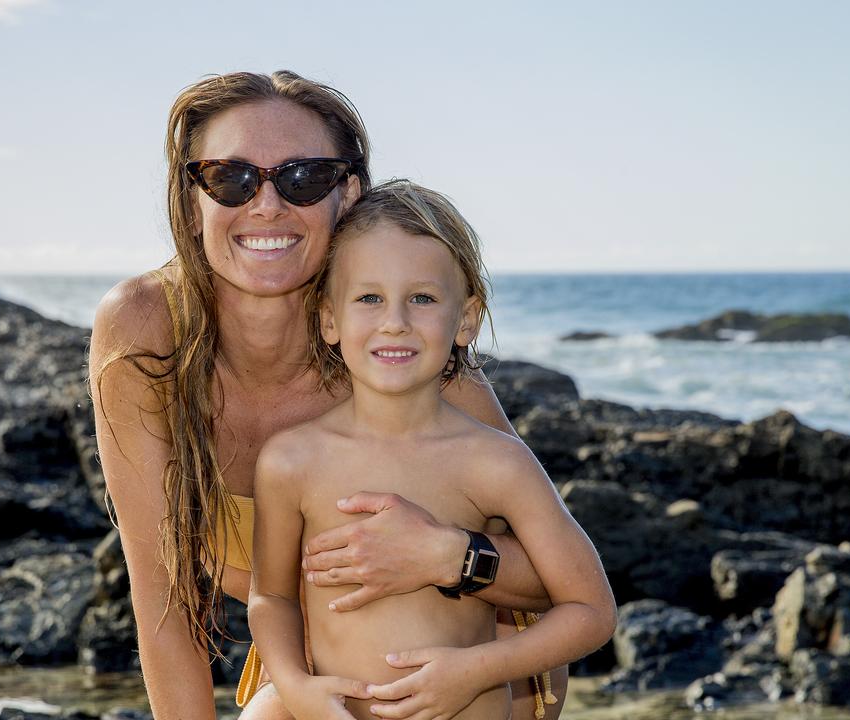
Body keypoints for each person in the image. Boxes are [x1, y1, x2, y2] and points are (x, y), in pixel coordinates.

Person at [88, 70, 571, 720]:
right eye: (231, 176)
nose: (266, 205)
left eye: (303, 177)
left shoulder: (395, 355)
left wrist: (448, 556)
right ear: (191, 194)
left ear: (348, 194)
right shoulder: (144, 333)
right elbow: (161, 599)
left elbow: (556, 579)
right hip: (313, 673)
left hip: (474, 671)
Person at [248, 181, 616, 720]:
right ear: (330, 319)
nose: (394, 320)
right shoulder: (290, 461)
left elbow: (590, 609)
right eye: (369, 298)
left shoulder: (497, 462)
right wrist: (296, 686)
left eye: (422, 298)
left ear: (465, 319)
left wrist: (478, 670)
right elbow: (272, 599)